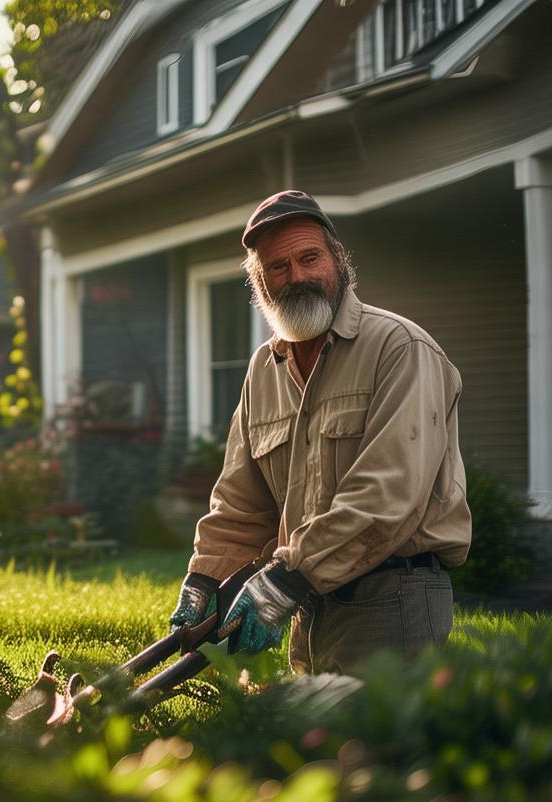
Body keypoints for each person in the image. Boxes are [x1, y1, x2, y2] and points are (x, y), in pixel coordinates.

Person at [168, 190, 471, 675]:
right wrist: (204, 578)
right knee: (309, 750)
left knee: (376, 750)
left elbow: (388, 494)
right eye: (278, 267)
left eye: (310, 258)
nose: (298, 277)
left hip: (392, 598)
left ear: (338, 259)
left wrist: (288, 577)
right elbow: (240, 504)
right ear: (260, 283)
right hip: (307, 606)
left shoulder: (400, 347)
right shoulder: (263, 370)